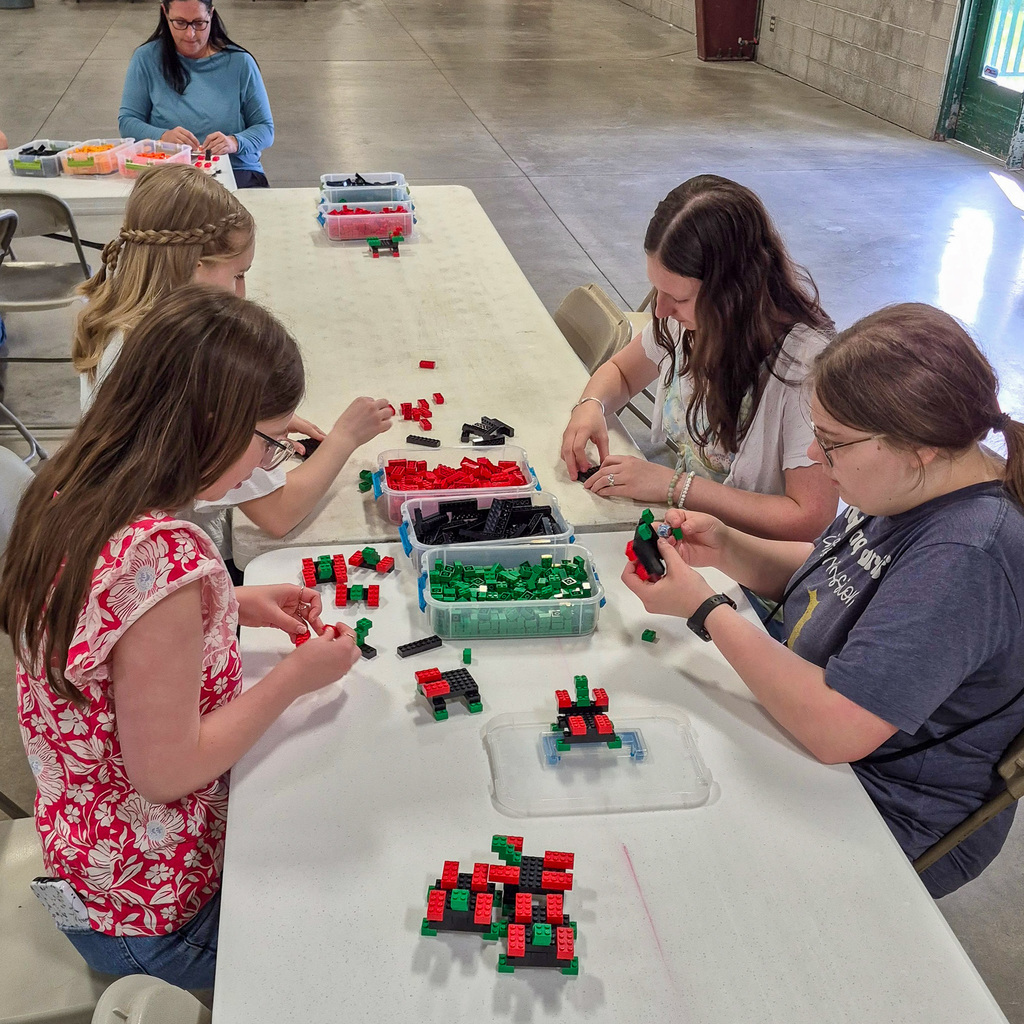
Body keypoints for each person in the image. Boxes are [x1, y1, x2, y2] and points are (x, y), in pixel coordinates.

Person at [0, 286, 363, 987]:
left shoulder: (72, 483)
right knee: (344, 948)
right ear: (207, 422)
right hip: (155, 924)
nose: (264, 466)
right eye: (266, 442)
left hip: (92, 864)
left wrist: (230, 603)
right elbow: (165, 772)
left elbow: (107, 632)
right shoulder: (162, 562)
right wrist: (295, 678)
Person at [621, 303, 1024, 898]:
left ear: (919, 447)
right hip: (820, 739)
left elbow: (838, 729)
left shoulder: (966, 557)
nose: (813, 456)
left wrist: (706, 611)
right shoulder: (915, 485)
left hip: (877, 805)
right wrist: (727, 548)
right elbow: (838, 581)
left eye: (831, 443)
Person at [72, 163, 393, 569]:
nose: (243, 294)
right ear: (194, 267)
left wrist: (262, 424)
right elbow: (278, 514)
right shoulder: (187, 363)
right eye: (238, 275)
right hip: (177, 566)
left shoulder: (117, 317)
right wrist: (345, 437)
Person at [561, 175, 838, 542]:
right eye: (657, 290)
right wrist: (591, 405)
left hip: (752, 562)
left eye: (679, 298)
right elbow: (621, 374)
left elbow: (808, 518)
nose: (660, 311)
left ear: (735, 292)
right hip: (689, 527)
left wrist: (677, 486)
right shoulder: (688, 322)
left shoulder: (805, 369)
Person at [118, 0, 273, 188]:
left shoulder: (240, 63)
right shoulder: (146, 59)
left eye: (199, 23)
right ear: (165, 14)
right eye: (180, 23)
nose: (190, 34)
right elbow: (128, 122)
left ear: (211, 14)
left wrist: (234, 142)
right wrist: (162, 136)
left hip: (235, 170)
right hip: (170, 172)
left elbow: (265, 129)